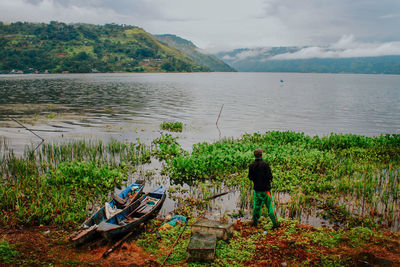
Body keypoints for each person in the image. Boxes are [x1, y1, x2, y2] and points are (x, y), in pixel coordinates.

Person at [248, 148, 280, 229]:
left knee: (256, 207)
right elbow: (270, 176)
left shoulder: (251, 165)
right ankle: (275, 224)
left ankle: (254, 222)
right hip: (266, 190)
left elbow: (250, 177)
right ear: (261, 155)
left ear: (254, 156)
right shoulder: (265, 164)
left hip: (257, 189)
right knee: (270, 207)